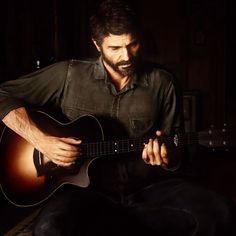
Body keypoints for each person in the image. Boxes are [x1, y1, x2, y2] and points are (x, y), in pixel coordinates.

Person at [0, 0, 234, 235]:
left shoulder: (163, 83)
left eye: (133, 44)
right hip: (82, 191)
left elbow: (178, 152)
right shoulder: (68, 74)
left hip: (148, 188)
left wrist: (169, 158)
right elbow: (3, 94)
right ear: (97, 45)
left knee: (221, 212)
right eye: (115, 48)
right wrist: (41, 141)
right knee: (49, 229)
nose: (127, 56)